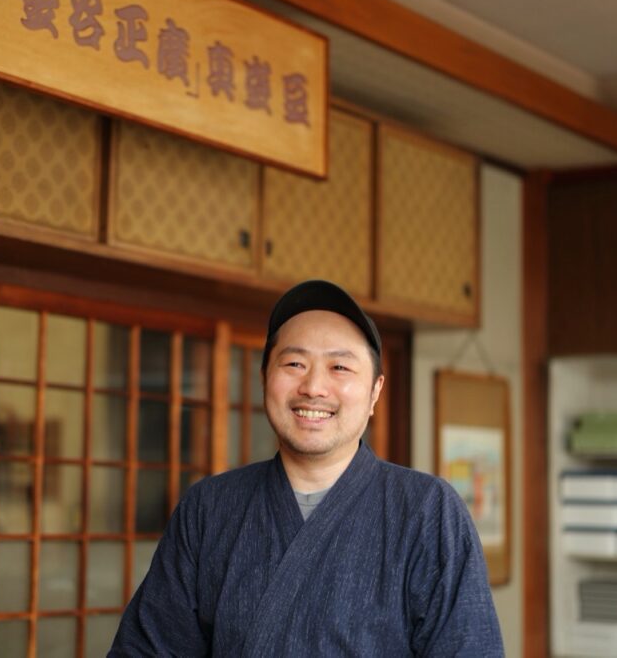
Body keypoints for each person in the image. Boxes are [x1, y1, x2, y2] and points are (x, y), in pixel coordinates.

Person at [109, 280, 504, 656]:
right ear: (265, 377)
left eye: (340, 368)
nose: (314, 387)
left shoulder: (427, 512)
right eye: (295, 363)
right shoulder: (209, 509)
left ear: (375, 391)